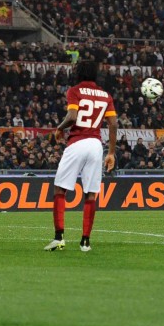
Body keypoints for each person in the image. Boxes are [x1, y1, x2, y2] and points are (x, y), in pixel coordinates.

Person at [44, 60, 117, 252]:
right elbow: (113, 124)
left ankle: (59, 238)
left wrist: (59, 128)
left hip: (77, 142)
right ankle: (85, 241)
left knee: (60, 189)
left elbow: (72, 117)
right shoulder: (105, 95)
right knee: (91, 193)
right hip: (96, 145)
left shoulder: (74, 91)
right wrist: (111, 152)